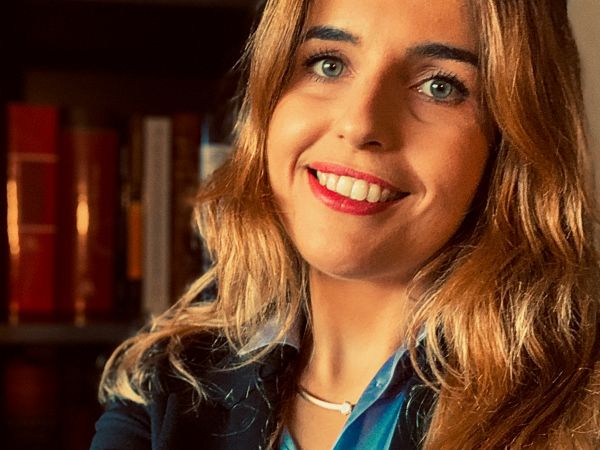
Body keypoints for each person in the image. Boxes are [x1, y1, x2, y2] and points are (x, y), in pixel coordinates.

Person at [90, 0, 600, 448]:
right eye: (328, 63)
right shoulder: (166, 385)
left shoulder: (585, 403)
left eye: (440, 85)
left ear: (511, 142)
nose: (360, 124)